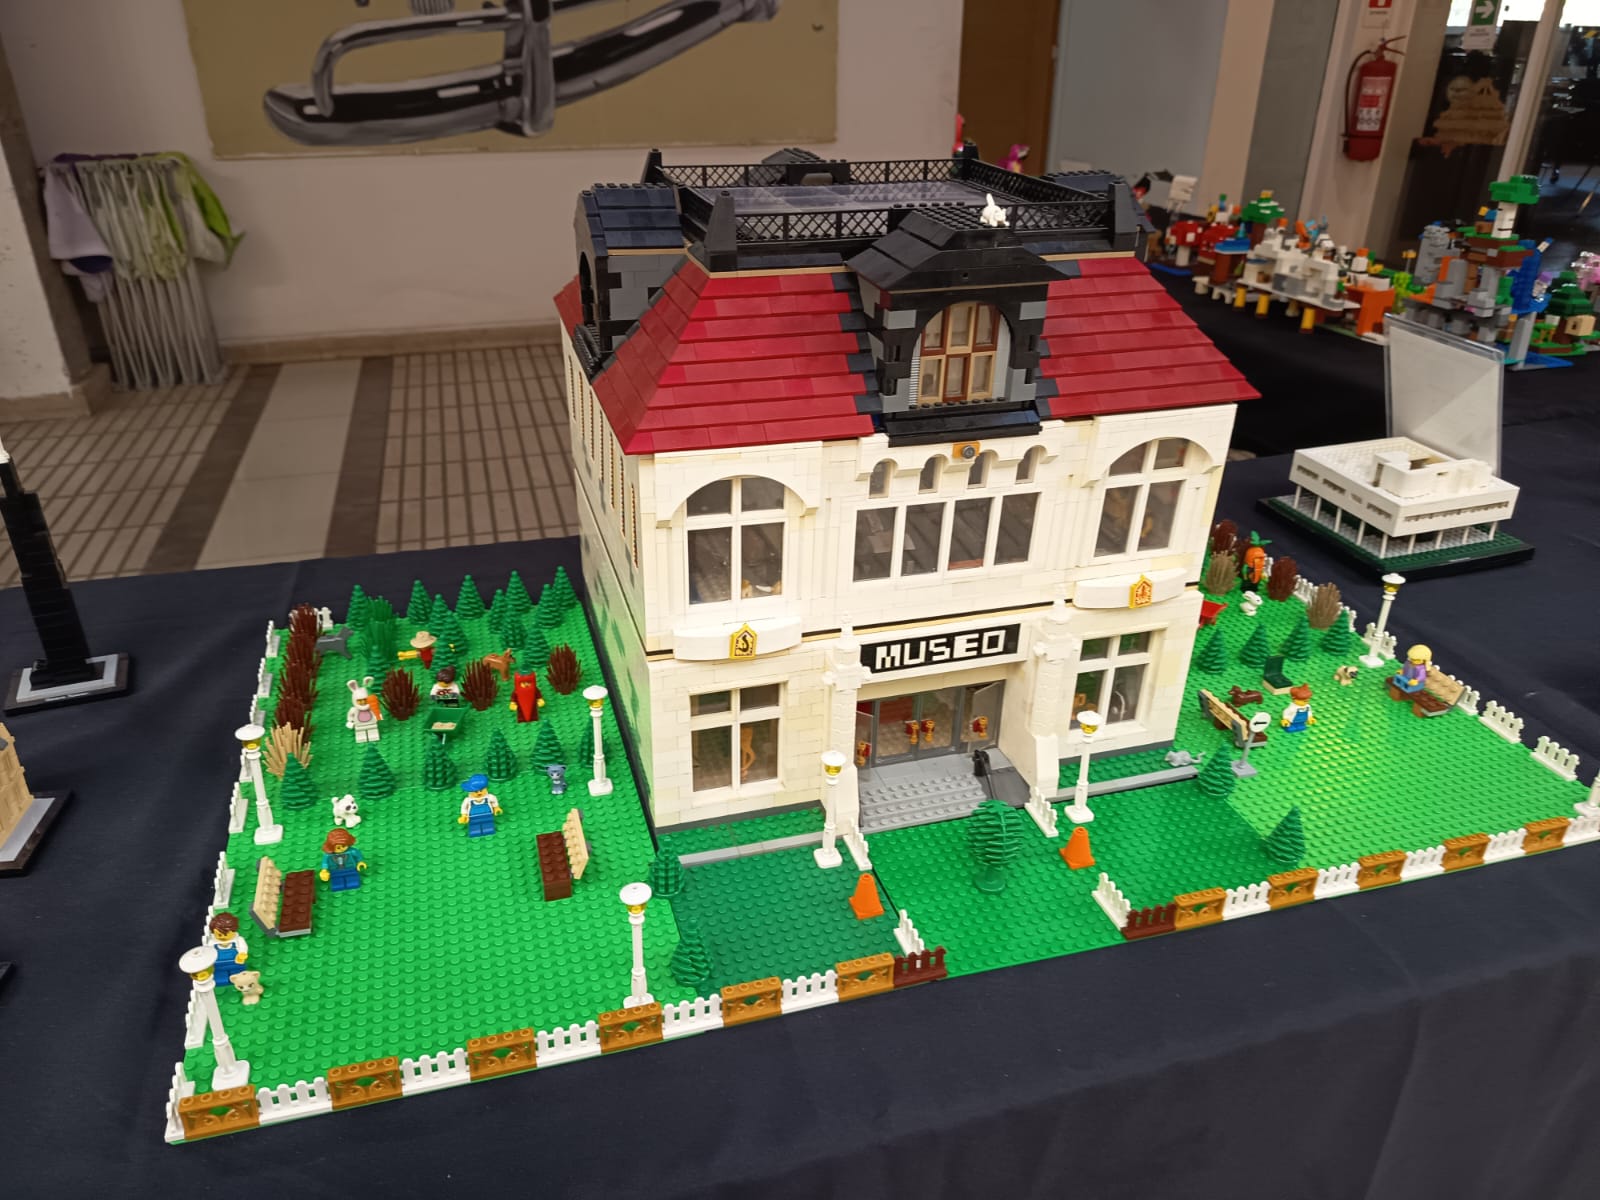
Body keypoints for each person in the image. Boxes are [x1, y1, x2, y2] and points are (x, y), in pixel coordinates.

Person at [207, 913, 249, 991]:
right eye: (219, 935)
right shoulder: (212, 943)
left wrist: (242, 954)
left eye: (227, 934)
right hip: (219, 966)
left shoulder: (238, 940)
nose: (223, 937)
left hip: (236, 964)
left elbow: (243, 948)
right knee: (220, 979)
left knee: (238, 977)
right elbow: (209, 953)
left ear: (234, 931)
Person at [458, 774, 501, 838]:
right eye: (476, 791)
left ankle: (488, 829)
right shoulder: (468, 800)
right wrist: (464, 815)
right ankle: (475, 830)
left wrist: (496, 808)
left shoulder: (489, 797)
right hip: (473, 817)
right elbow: (464, 808)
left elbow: (494, 801)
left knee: (488, 825)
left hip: (487, 815)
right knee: (474, 827)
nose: (479, 793)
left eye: (481, 790)